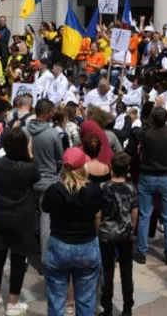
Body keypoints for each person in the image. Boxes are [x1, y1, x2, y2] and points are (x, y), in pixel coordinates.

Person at [41, 147, 103, 316]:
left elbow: (45, 207)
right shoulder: (94, 190)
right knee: (86, 300)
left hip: (59, 245)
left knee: (55, 300)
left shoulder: (55, 190)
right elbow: (98, 210)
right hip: (87, 245)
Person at [0, 127, 38, 316]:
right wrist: (30, 154)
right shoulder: (29, 167)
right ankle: (13, 301)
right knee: (18, 259)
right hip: (21, 217)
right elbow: (36, 176)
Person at [134, 106, 167, 265]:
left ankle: (141, 251)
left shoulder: (146, 134)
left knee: (145, 215)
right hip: (166, 176)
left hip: (148, 176)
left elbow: (142, 130)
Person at [99, 152, 137, 316]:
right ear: (127, 169)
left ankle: (107, 308)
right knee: (126, 271)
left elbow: (98, 213)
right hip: (125, 233)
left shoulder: (104, 187)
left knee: (107, 272)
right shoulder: (131, 188)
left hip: (107, 233)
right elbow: (134, 212)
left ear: (111, 168)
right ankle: (127, 308)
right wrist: (132, 228)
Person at [27, 99, 64, 255]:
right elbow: (60, 160)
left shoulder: (24, 130)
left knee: (28, 218)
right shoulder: (53, 134)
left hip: (28, 180)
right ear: (47, 113)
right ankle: (45, 259)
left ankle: (24, 257)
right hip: (48, 182)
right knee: (46, 222)